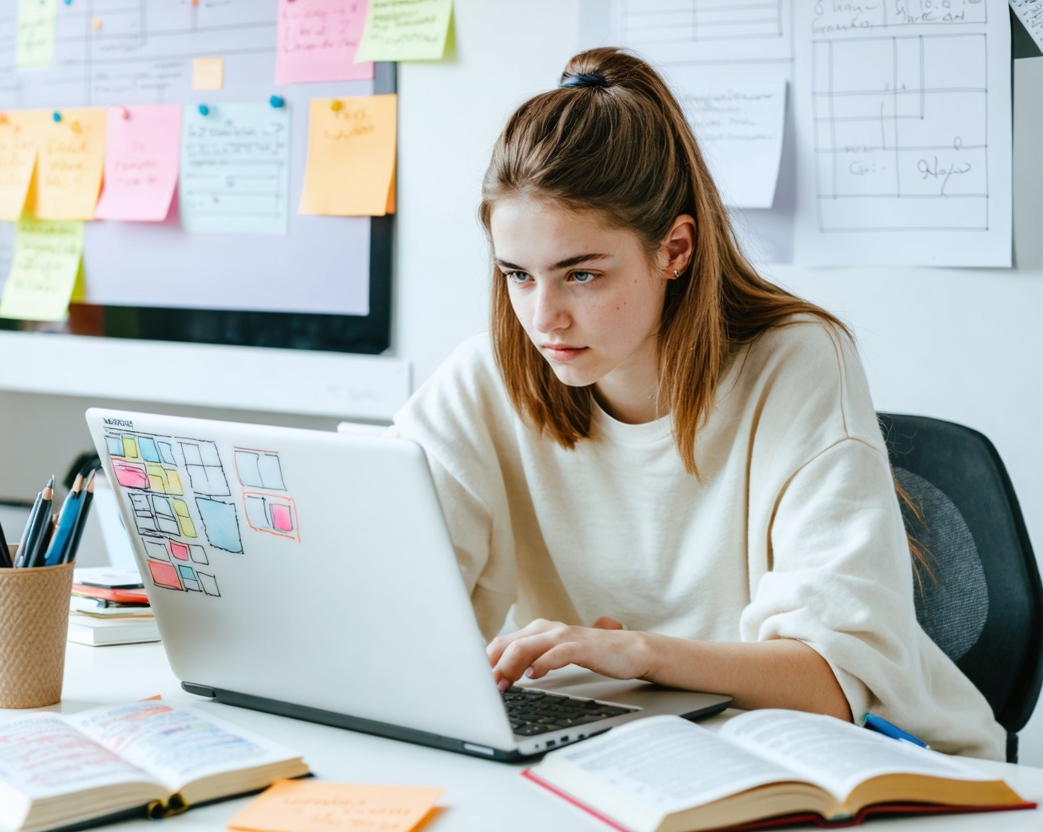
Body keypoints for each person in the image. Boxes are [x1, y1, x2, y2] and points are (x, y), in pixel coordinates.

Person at [390, 47, 1004, 759]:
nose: (543, 316)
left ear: (674, 248)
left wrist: (642, 656)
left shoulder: (797, 361)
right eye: (517, 275)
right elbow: (393, 595)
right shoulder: (485, 378)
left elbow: (831, 686)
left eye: (581, 274)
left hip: (871, 762)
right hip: (633, 754)